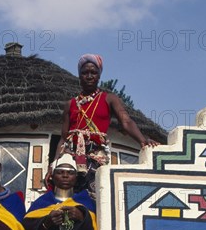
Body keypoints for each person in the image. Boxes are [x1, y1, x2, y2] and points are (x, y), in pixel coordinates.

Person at [46, 53, 160, 195]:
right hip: (71, 158)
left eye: (93, 73)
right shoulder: (70, 104)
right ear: (79, 76)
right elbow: (63, 138)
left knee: (94, 198)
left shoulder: (109, 99)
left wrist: (143, 140)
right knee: (64, 198)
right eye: (85, 73)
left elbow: (126, 121)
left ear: (99, 76)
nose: (89, 76)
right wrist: (54, 164)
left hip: (96, 157)